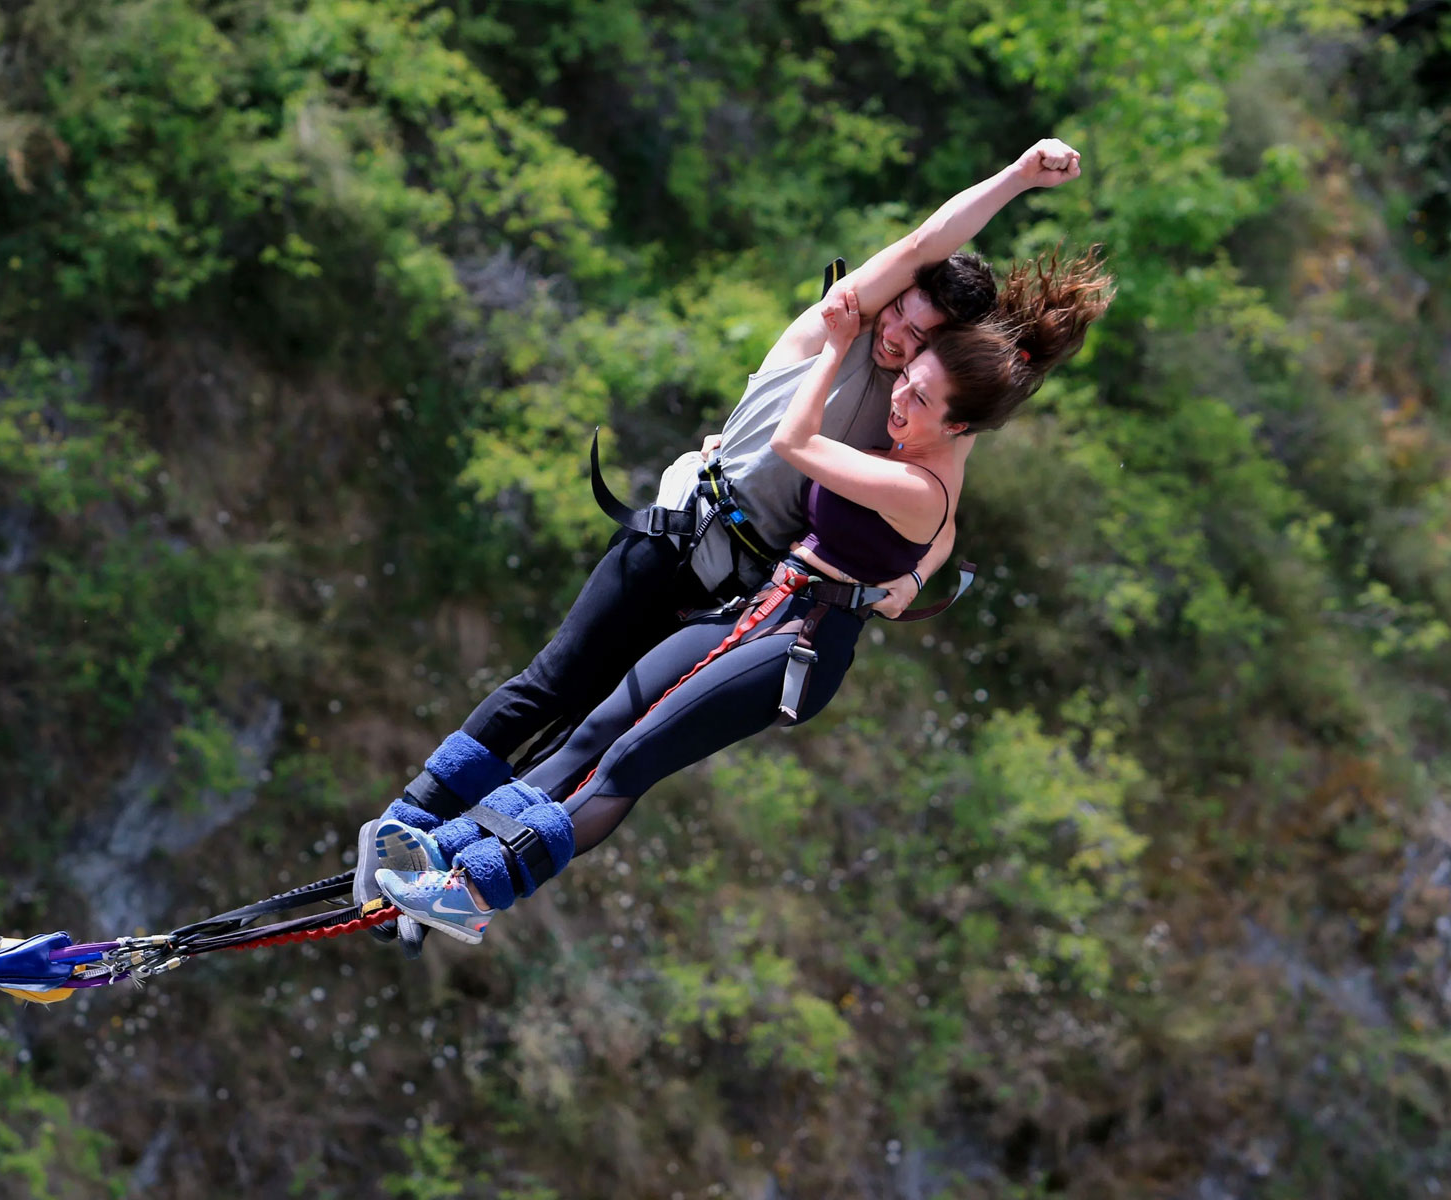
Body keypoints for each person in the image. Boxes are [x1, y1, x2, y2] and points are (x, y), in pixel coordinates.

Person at [352, 140, 1090, 942]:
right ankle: (408, 820)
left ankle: (449, 871)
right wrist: (1019, 178)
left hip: (739, 594)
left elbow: (939, 511)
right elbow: (921, 246)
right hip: (678, 537)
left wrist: (910, 580)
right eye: (898, 318)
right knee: (555, 687)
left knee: (599, 735)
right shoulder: (828, 332)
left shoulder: (912, 416)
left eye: (921, 340)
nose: (898, 344)